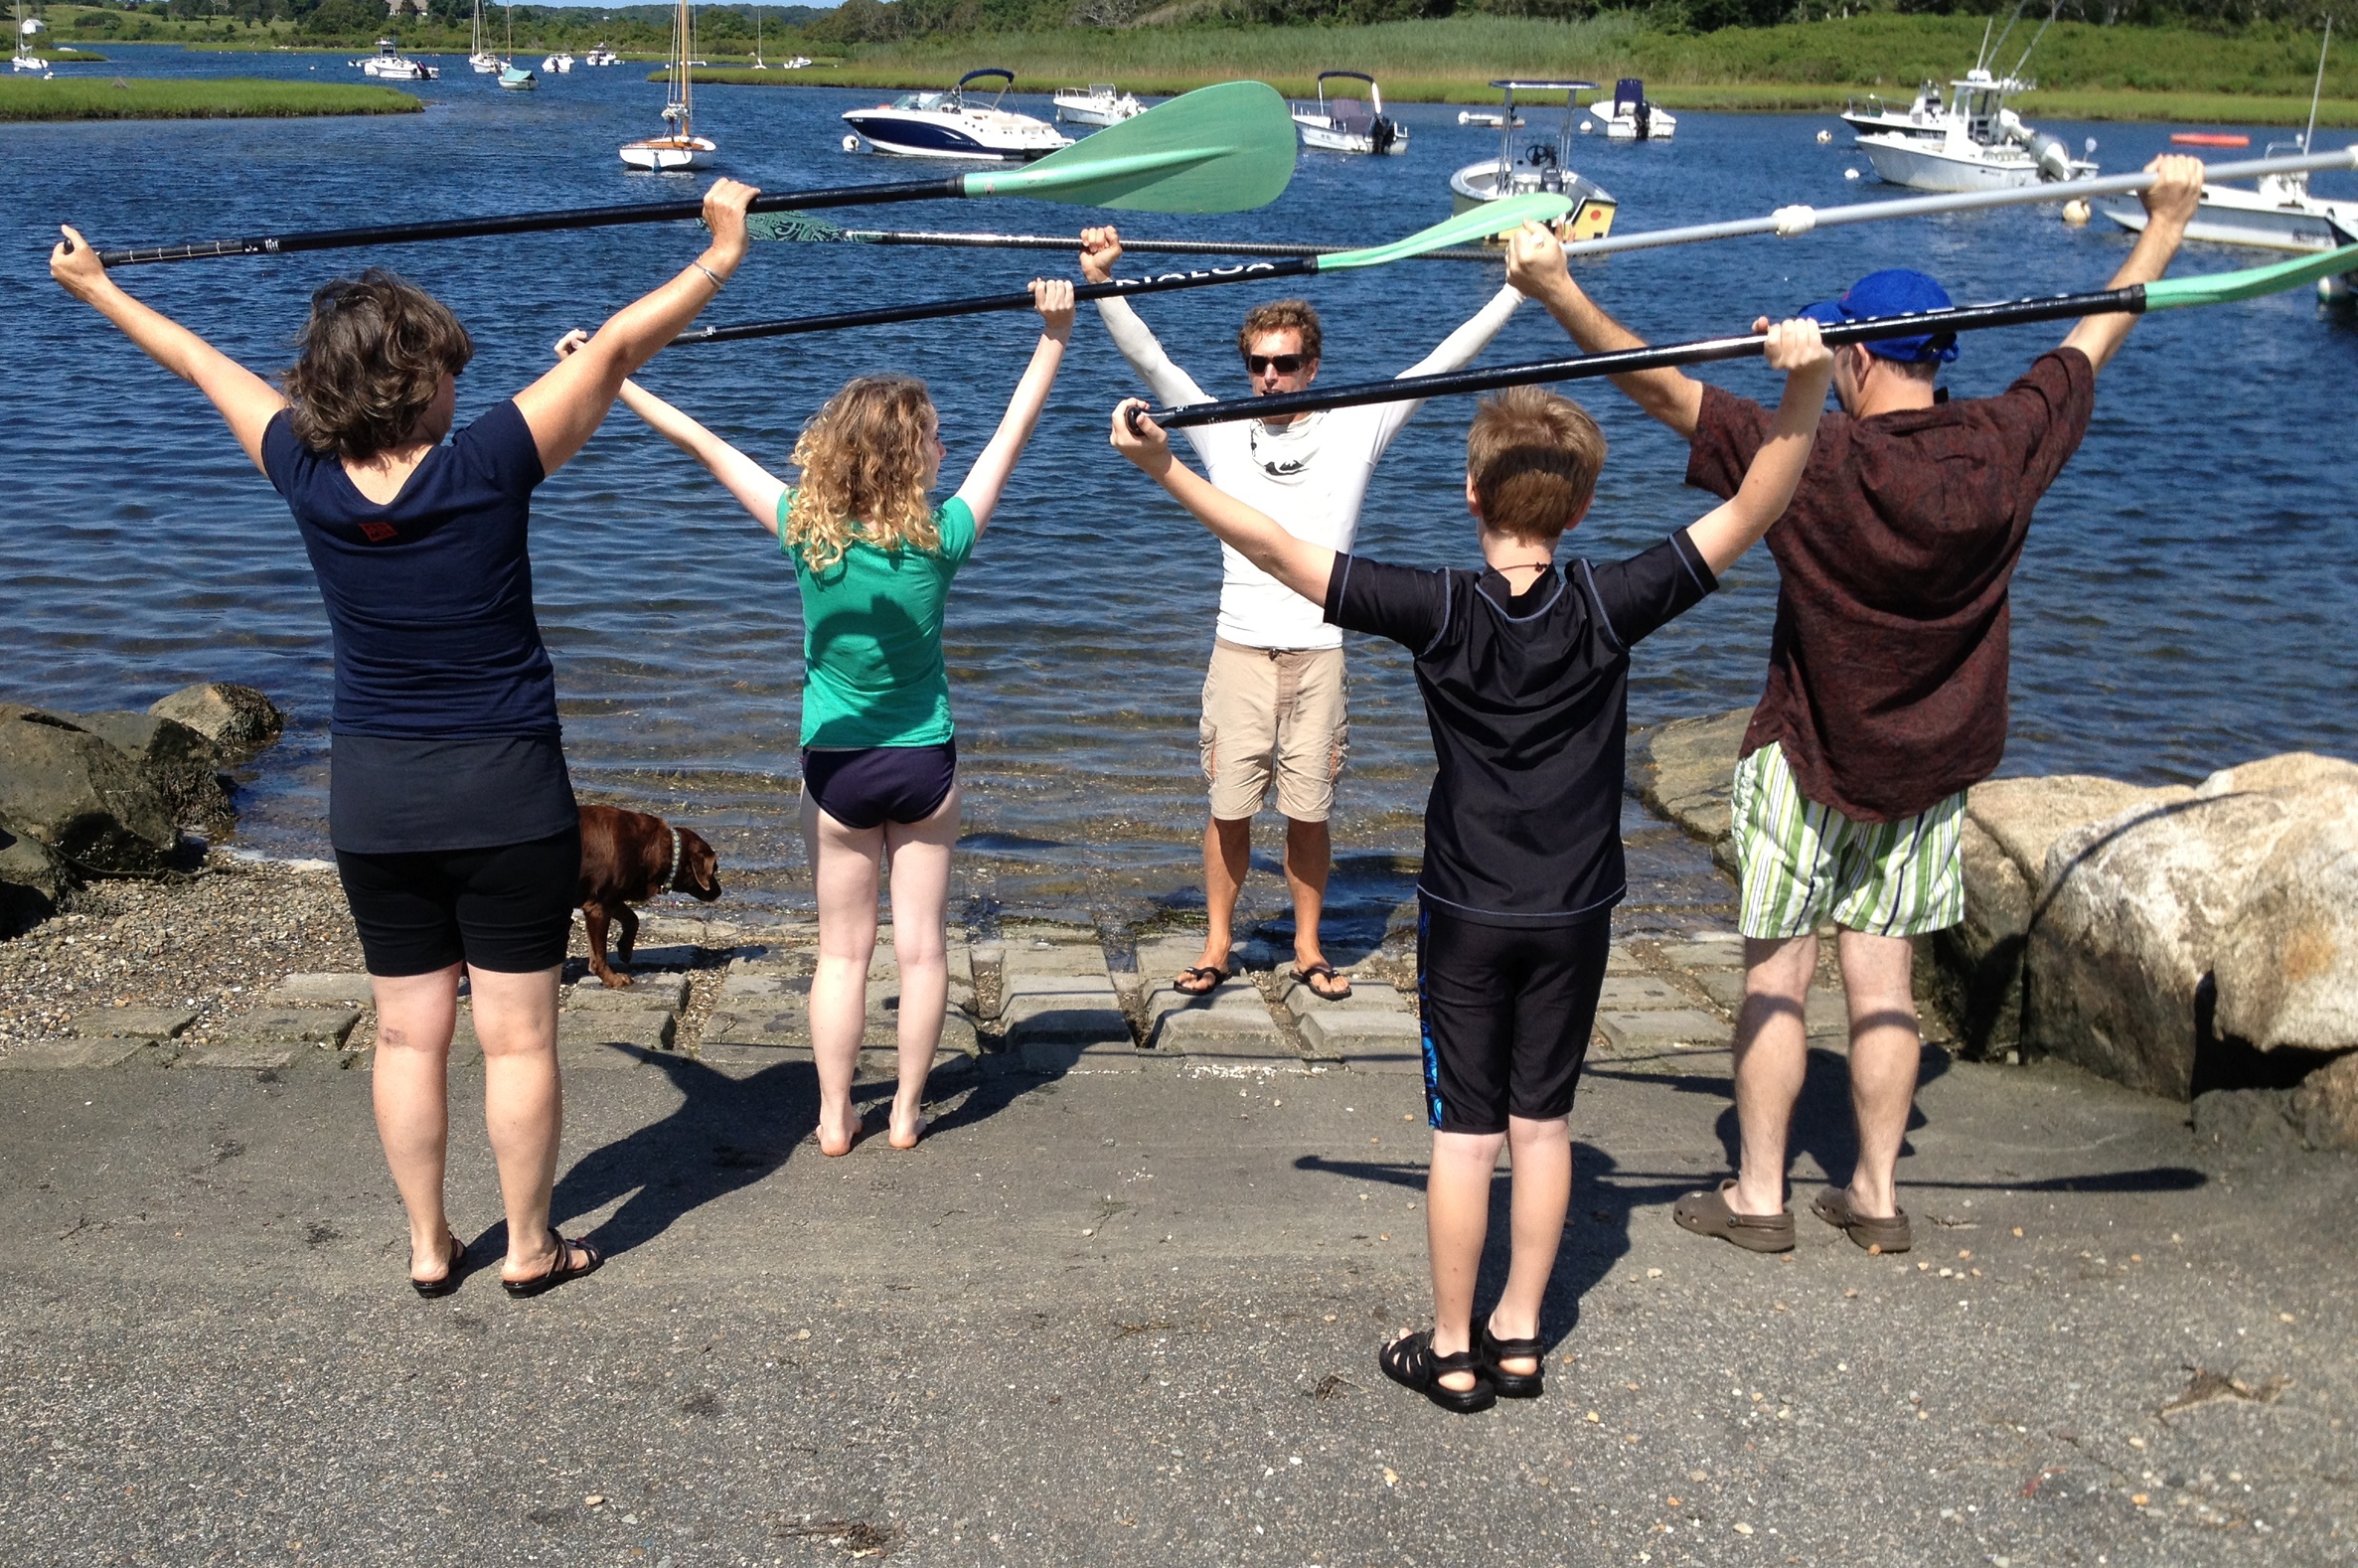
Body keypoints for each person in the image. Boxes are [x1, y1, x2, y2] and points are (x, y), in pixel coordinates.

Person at [1108, 229, 1835, 1412]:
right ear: (1586, 501)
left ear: (1470, 492)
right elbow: (1759, 500)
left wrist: (1167, 474)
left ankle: (1451, 1350)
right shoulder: (1615, 599)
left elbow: (1278, 550)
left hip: (1465, 909)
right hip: (1574, 909)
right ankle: (1520, 1336)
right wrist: (1803, 382)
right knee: (1542, 1129)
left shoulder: (1435, 607)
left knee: (1464, 1133)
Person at [47, 177, 762, 1300]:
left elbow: (195, 362)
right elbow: (618, 349)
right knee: (519, 1041)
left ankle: (431, 1247)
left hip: (376, 806)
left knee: (405, 1038)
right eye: (446, 366)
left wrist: (97, 288)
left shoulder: (304, 472)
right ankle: (528, 1247)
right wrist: (719, 255)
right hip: (508, 800)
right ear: (413, 381)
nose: (462, 378)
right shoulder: (487, 464)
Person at [1503, 157, 2209, 1258]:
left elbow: (1651, 385)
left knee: (1777, 977)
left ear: (1863, 355)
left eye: (1841, 348)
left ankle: (1759, 1196)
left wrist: (1553, 290)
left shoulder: (1813, 457)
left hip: (1806, 758)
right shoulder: (2005, 447)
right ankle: (1875, 1194)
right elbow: (2091, 336)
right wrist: (2163, 227)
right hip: (1929, 766)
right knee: (1885, 984)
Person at [561, 279, 1076, 1158]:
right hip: (925, 766)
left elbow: (700, 441)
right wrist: (1056, 335)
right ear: (912, 457)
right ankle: (908, 1112)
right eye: (935, 437)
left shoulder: (806, 529)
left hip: (837, 770)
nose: (948, 445)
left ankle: (837, 1115)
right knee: (921, 951)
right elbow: (1013, 432)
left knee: (842, 955)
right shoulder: (943, 535)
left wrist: (603, 368)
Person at [1077, 225, 1537, 1004]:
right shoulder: (1221, 428)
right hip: (1240, 653)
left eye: (1284, 364)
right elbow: (1152, 360)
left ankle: (1308, 946)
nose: (1268, 377)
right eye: (1256, 364)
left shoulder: (1358, 425)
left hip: (1319, 655)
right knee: (1227, 810)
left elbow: (1442, 363)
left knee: (1308, 813)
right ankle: (1218, 946)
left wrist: (1518, 291)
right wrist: (1102, 281)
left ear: (1312, 366)